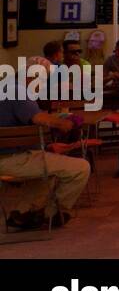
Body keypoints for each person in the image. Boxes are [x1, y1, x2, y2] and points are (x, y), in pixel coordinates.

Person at [0, 69, 90, 230]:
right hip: (13, 160)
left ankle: (25, 211)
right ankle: (52, 214)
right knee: (80, 168)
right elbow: (38, 118)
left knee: (51, 169)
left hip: (11, 157)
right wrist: (63, 123)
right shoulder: (17, 90)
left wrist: (47, 146)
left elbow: (16, 133)